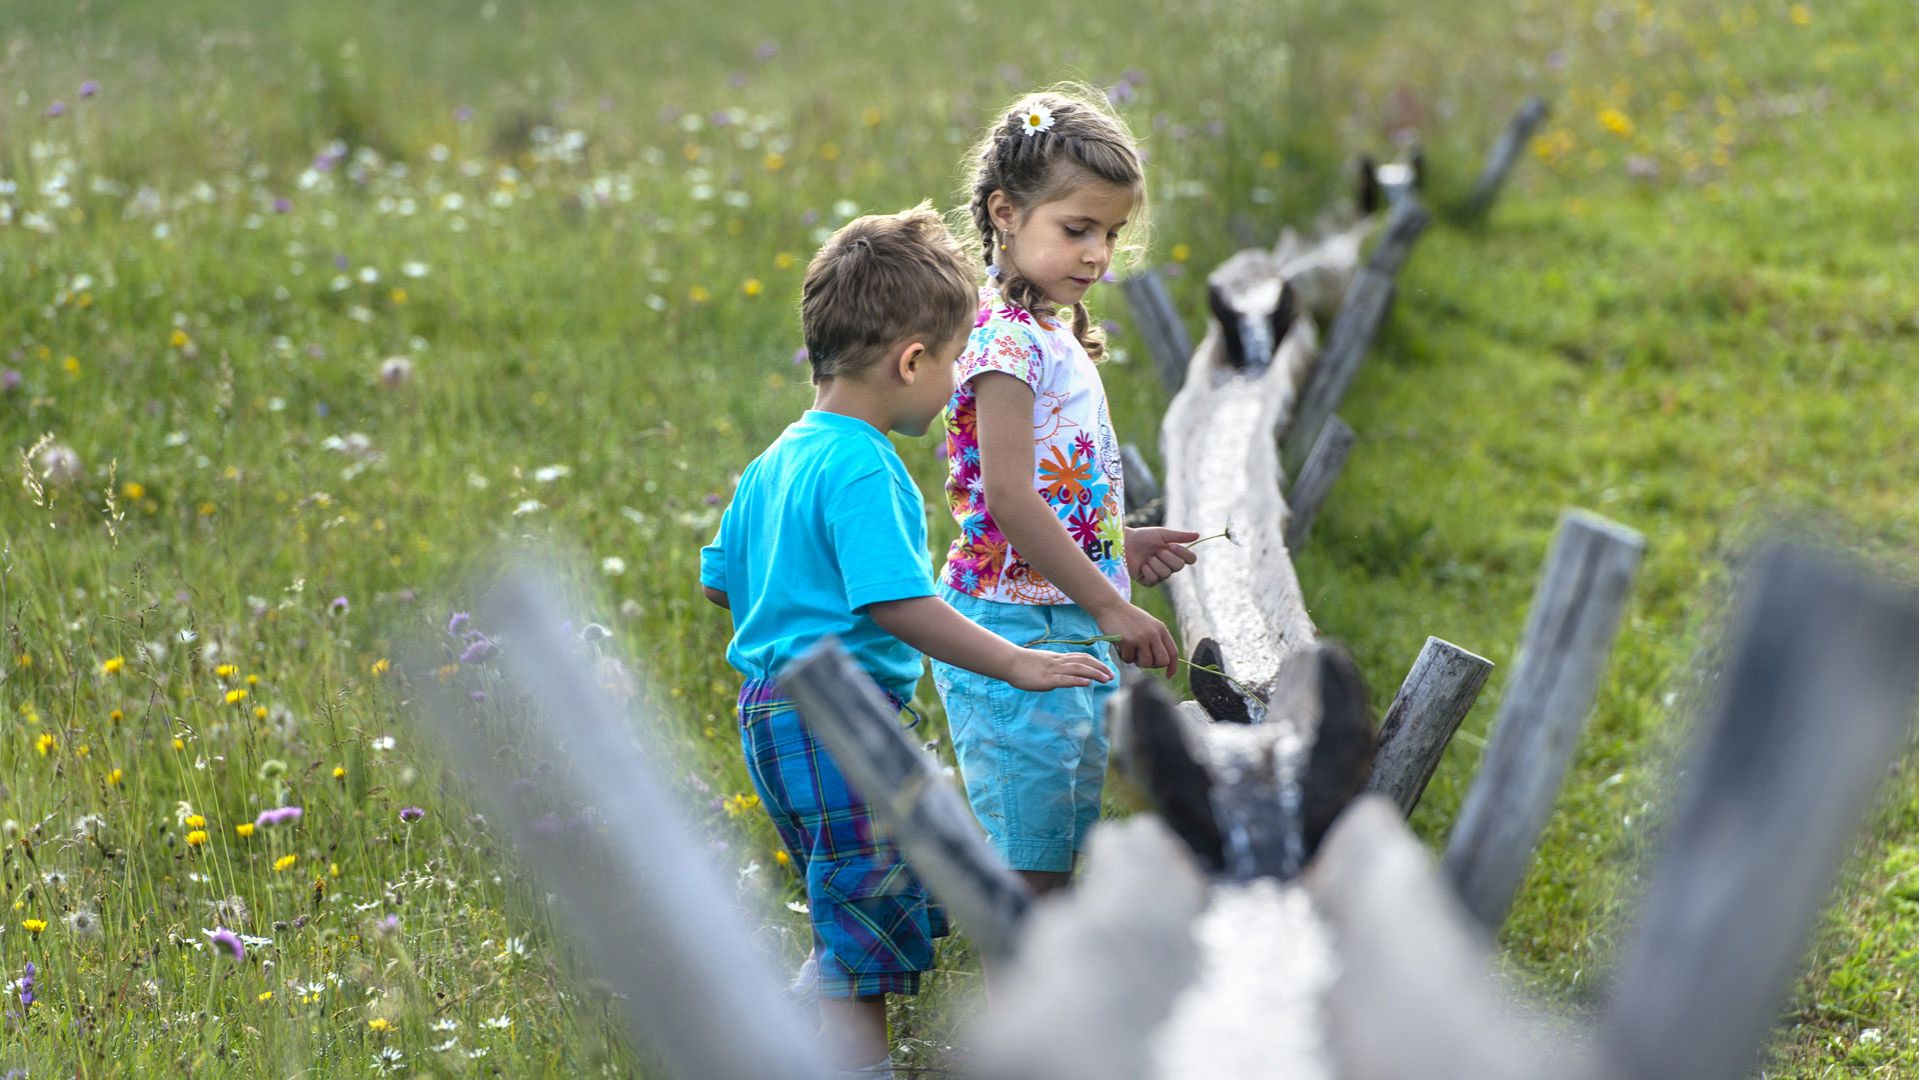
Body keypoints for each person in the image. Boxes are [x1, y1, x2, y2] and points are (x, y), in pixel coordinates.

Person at [699, 203, 1112, 1077]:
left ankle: (806, 1023)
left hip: (769, 712)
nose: (959, 378)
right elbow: (897, 603)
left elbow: (717, 576)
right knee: (859, 910)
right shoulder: (863, 464)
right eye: (956, 360)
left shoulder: (778, 457)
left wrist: (789, 600)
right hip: (839, 717)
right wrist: (1015, 660)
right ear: (912, 361)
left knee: (849, 886)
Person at [932, 87, 1199, 899]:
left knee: (1060, 823)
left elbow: (1052, 488)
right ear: (1005, 213)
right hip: (1014, 620)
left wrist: (1117, 542)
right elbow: (1010, 498)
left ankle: (1048, 990)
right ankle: (1031, 1006)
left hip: (1059, 604)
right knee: (1034, 851)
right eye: (1076, 229)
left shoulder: (1049, 327)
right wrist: (1113, 605)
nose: (1097, 255)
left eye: (1110, 234)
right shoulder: (1002, 339)